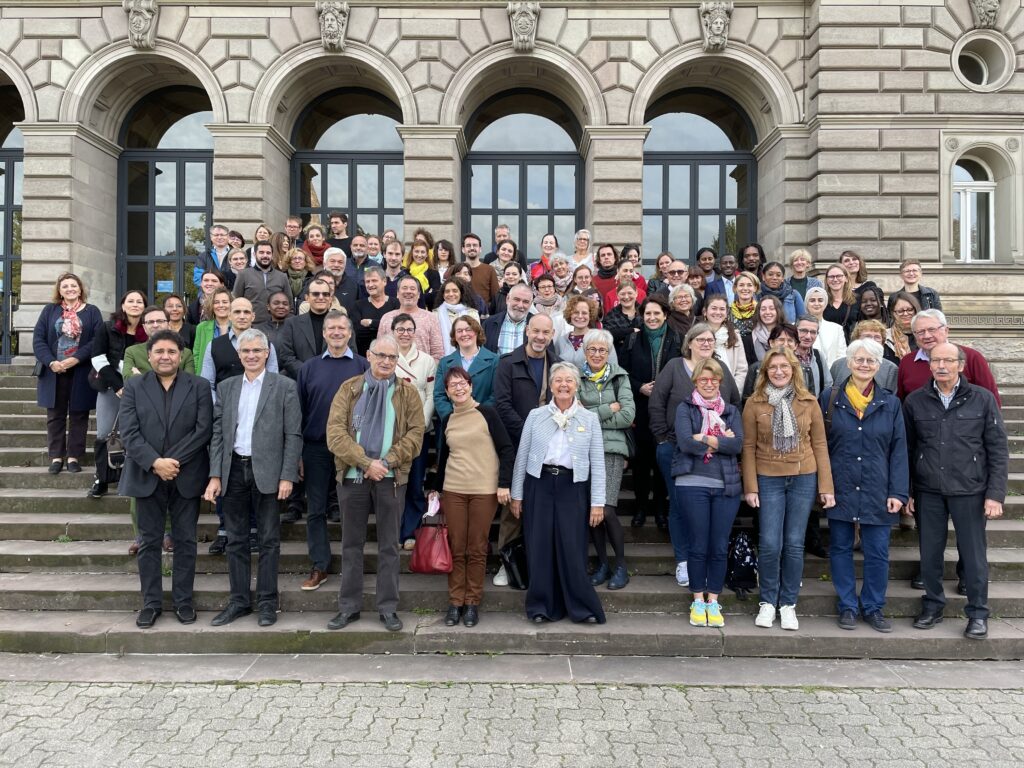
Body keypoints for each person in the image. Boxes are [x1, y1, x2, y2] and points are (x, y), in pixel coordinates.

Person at [904, 342, 1008, 640]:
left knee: (974, 556)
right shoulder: (915, 401)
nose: (941, 366)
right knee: (930, 553)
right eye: (936, 360)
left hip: (971, 490)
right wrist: (909, 491)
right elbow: (909, 450)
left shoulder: (983, 399)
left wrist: (995, 494)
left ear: (961, 365)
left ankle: (977, 613)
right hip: (928, 491)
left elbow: (998, 450)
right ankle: (933, 606)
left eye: (948, 360)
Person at [325, 335, 425, 632]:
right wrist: (367, 463)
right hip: (354, 477)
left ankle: (387, 607)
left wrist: (387, 462)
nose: (386, 362)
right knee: (351, 544)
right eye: (380, 355)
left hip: (391, 480)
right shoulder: (350, 389)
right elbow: (335, 434)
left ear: (398, 361)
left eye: (392, 358)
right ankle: (349, 607)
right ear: (369, 355)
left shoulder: (408, 394)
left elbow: (416, 435)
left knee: (389, 547)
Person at [204, 329, 301, 628]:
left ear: (267, 352)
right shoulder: (227, 386)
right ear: (239, 354)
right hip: (233, 469)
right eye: (246, 351)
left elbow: (293, 434)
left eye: (257, 350)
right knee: (235, 540)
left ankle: (268, 603)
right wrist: (215, 474)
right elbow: (218, 433)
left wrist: (287, 475)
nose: (251, 355)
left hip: (269, 472)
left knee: (269, 540)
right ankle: (239, 602)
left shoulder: (284, 386)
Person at [118, 330, 213, 628]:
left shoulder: (198, 386)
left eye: (171, 351)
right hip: (147, 474)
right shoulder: (134, 386)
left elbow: (203, 430)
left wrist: (173, 462)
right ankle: (151, 603)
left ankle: (184, 602)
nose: (165, 357)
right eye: (159, 351)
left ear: (181, 355)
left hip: (186, 475)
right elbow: (129, 432)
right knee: (148, 542)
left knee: (185, 540)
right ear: (149, 356)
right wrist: (155, 462)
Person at [742, 348, 835, 631]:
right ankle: (768, 602)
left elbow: (819, 444)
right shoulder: (754, 403)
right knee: (770, 543)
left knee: (795, 544)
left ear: (794, 370)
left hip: (803, 476)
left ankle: (788, 603)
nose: (779, 371)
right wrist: (751, 486)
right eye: (773, 368)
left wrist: (826, 486)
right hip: (768, 477)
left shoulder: (809, 402)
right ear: (765, 372)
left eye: (784, 366)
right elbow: (747, 447)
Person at [820, 338, 909, 633]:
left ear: (879, 366)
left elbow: (899, 449)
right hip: (841, 484)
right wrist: (824, 485)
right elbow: (820, 445)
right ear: (848, 363)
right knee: (841, 547)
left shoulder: (891, 403)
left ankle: (873, 606)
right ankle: (847, 605)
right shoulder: (830, 398)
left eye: (871, 360)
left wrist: (898, 491)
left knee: (877, 551)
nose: (864, 365)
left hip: (877, 487)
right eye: (859, 359)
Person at [510, 362, 607, 624]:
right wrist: (517, 494)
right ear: (551, 385)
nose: (563, 385)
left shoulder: (589, 418)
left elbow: (597, 461)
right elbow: (522, 456)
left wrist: (597, 503)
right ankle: (541, 606)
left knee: (572, 547)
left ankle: (580, 607)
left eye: (569, 381)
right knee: (539, 546)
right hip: (539, 484)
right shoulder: (536, 415)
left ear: (577, 385)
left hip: (572, 487)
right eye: (558, 380)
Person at [650, 322, 742, 584]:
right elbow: (657, 402)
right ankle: (683, 560)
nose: (705, 344)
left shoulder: (720, 369)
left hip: (717, 460)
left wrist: (711, 440)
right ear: (689, 342)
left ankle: (705, 565)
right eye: (699, 339)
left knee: (709, 513)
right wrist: (661, 439)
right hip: (674, 447)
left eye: (710, 340)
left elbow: (734, 402)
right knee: (679, 507)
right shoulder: (674, 367)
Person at [430, 366, 515, 627]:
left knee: (476, 547)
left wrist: (504, 484)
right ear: (446, 391)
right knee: (457, 546)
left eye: (462, 383)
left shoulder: (487, 413)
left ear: (470, 385)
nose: (458, 388)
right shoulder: (448, 419)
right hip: (454, 489)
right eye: (452, 385)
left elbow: (507, 449)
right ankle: (455, 602)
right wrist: (434, 486)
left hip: (483, 490)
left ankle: (472, 602)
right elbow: (443, 458)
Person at [296, 311, 368, 591]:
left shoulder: (363, 366)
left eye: (342, 328)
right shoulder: (309, 368)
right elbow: (300, 412)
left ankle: (354, 566)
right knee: (315, 510)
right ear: (324, 334)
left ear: (350, 333)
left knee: (352, 509)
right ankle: (320, 565)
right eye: (331, 328)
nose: (337, 332)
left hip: (353, 450)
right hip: (315, 447)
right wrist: (299, 453)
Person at [672, 358, 744, 629]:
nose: (709, 383)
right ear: (696, 382)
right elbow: (684, 442)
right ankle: (698, 599)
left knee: (718, 545)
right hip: (692, 484)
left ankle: (713, 600)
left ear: (720, 382)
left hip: (726, 486)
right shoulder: (685, 407)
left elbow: (737, 443)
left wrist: (706, 438)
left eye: (714, 379)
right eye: (704, 379)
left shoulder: (731, 411)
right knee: (698, 545)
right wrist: (719, 442)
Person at [492, 313, 558, 585]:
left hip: (551, 447)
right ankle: (505, 563)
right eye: (536, 331)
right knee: (512, 508)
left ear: (552, 335)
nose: (540, 337)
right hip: (516, 444)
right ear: (527, 331)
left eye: (546, 332)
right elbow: (502, 404)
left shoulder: (557, 365)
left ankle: (541, 562)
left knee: (543, 507)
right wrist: (529, 433)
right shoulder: (507, 363)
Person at [577, 330, 636, 591]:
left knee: (607, 509)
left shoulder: (619, 377)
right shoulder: (575, 376)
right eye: (592, 349)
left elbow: (627, 416)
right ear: (585, 351)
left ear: (609, 352)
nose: (597, 354)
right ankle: (602, 564)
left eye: (602, 350)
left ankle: (620, 565)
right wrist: (605, 410)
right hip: (583, 450)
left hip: (612, 450)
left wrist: (590, 416)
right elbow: (573, 413)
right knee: (593, 510)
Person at [619, 295, 682, 531]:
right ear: (642, 316)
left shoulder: (677, 339)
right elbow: (623, 372)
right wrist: (640, 387)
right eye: (648, 314)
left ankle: (660, 510)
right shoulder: (633, 339)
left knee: (664, 461)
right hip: (641, 409)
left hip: (669, 410)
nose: (652, 318)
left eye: (657, 313)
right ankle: (640, 508)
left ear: (665, 315)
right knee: (642, 463)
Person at [33, 272, 102, 477]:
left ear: (80, 289)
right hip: (54, 371)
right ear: (59, 290)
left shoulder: (92, 311)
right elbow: (38, 339)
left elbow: (97, 340)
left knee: (79, 414)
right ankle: (56, 456)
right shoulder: (49, 310)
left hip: (80, 369)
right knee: (55, 415)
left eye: (73, 285)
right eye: (65, 286)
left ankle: (74, 456)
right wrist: (51, 362)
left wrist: (75, 359)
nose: (70, 289)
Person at [88, 289, 148, 498]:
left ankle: (128, 477)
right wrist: (118, 386)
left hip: (140, 389)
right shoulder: (107, 328)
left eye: (139, 302)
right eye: (130, 301)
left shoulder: (148, 330)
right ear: (123, 305)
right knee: (105, 433)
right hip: (110, 386)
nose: (135, 304)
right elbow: (98, 358)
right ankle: (101, 478)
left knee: (134, 432)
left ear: (144, 306)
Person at [392, 313, 439, 549]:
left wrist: (419, 424)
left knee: (414, 482)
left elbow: (431, 394)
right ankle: (392, 530)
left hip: (419, 429)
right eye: (400, 329)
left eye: (409, 329)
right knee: (393, 483)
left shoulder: (427, 361)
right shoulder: (387, 358)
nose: (405, 333)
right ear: (393, 332)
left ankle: (410, 530)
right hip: (391, 432)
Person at [896, 308, 1000, 404]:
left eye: (932, 329)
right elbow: (902, 402)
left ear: (946, 330)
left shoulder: (972, 357)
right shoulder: (907, 362)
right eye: (920, 332)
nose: (926, 336)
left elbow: (991, 401)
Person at [434, 315, 499, 421]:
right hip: (453, 421)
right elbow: (439, 395)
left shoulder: (494, 360)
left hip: (483, 420)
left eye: (468, 330)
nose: (464, 334)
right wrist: (451, 416)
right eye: (459, 331)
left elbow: (496, 394)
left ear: (477, 332)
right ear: (454, 336)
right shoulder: (444, 362)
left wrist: (479, 413)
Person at [276, 276, 334, 378]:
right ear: (307, 298)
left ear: (330, 298)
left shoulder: (343, 324)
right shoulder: (292, 324)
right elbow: (286, 356)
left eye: (325, 294)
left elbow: (350, 353)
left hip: (332, 381)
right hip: (300, 381)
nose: (321, 297)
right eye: (316, 294)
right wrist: (308, 373)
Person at [378, 275, 445, 361]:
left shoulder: (431, 318)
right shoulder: (387, 318)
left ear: (419, 294)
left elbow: (437, 353)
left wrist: (430, 372)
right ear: (397, 294)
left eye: (412, 289)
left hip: (423, 372)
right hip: (392, 371)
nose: (408, 291)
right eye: (404, 288)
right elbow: (380, 350)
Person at [232, 240, 293, 326]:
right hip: (251, 326)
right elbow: (236, 301)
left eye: (268, 253)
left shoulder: (282, 276)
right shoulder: (243, 275)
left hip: (277, 326)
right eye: (261, 252)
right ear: (254, 254)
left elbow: (289, 305)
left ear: (272, 255)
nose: (265, 255)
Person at [830, 320, 899, 390]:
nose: (872, 340)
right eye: (867, 336)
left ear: (883, 342)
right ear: (856, 340)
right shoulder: (838, 365)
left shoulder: (891, 369)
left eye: (877, 337)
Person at [554, 295, 613, 369]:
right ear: (570, 314)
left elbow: (613, 369)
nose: (580, 316)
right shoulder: (561, 341)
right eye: (576, 312)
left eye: (584, 313)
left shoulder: (602, 339)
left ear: (590, 315)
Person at [352, 265, 399, 355]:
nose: (370, 285)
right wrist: (385, 327)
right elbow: (358, 333)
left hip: (390, 356)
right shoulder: (358, 305)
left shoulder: (396, 304)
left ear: (384, 281)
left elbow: (397, 330)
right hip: (365, 357)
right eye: (367, 281)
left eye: (374, 281)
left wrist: (371, 323)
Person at [701, 294, 747, 385]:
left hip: (730, 390)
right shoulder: (696, 336)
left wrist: (734, 392)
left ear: (726, 314)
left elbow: (741, 369)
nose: (718, 312)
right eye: (714, 308)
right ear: (705, 312)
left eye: (722, 309)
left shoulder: (734, 336)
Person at [433, 277, 481, 356]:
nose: (451, 294)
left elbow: (477, 338)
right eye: (447, 291)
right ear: (443, 294)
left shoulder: (472, 313)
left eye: (455, 291)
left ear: (461, 293)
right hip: (443, 359)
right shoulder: (435, 314)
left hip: (469, 357)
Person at [483, 282, 534, 354]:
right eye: (516, 299)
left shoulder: (538, 325)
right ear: (507, 299)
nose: (520, 305)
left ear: (531, 304)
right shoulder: (489, 324)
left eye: (525, 302)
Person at [191, 287, 232, 376]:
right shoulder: (201, 327)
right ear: (211, 305)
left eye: (225, 302)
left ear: (231, 304)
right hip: (207, 376)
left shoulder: (238, 327)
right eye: (216, 302)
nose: (221, 305)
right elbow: (196, 355)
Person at [804, 286, 847, 367]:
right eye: (812, 300)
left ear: (825, 303)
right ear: (807, 303)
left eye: (820, 300)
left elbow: (842, 356)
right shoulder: (797, 328)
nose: (816, 304)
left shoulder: (837, 328)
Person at [461, 233, 500, 310]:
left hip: (483, 316)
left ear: (480, 249)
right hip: (459, 315)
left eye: (475, 245)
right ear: (463, 249)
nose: (472, 248)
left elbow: (495, 298)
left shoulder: (489, 270)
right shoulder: (455, 269)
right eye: (468, 245)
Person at [601, 279, 642, 353]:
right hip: (619, 357)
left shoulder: (644, 312)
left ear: (636, 293)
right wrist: (631, 331)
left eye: (630, 293)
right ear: (617, 295)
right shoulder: (612, 315)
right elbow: (607, 335)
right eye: (622, 294)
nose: (626, 297)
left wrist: (620, 335)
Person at [823, 263, 860, 341]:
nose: (835, 279)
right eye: (831, 277)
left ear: (846, 278)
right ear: (826, 280)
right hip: (826, 347)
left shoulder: (857, 300)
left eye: (839, 276)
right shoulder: (821, 300)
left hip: (850, 347)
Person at [403, 239, 441, 309]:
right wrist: (426, 295)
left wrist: (412, 297)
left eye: (422, 252)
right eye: (417, 251)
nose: (419, 255)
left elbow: (435, 297)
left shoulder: (434, 274)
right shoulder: (404, 273)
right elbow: (402, 295)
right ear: (412, 253)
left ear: (427, 254)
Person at [886, 291, 921, 360]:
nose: (905, 314)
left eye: (910, 310)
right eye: (900, 311)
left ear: (916, 310)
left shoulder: (927, 335)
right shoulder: (884, 337)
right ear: (893, 313)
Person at [749, 295, 784, 363]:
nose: (767, 312)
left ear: (778, 311)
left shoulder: (788, 335)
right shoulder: (749, 339)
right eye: (763, 309)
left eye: (771, 308)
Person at [730, 271, 759, 338]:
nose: (745, 288)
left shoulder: (760, 309)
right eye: (741, 285)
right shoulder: (727, 310)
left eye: (749, 285)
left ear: (755, 288)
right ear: (735, 288)